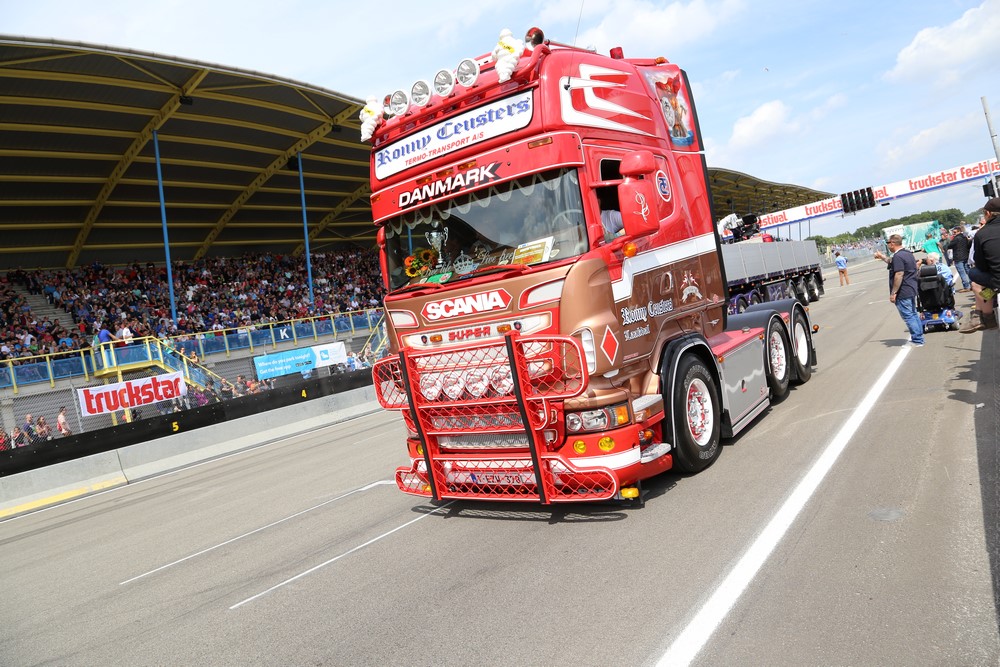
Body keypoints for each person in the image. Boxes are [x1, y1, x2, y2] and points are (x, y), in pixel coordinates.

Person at [873, 234, 923, 346]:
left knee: (908, 316)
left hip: (903, 290)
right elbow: (891, 262)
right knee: (913, 314)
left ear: (893, 243)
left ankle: (917, 340)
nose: (887, 245)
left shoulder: (898, 257)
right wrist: (882, 257)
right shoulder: (907, 253)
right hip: (910, 287)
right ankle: (919, 337)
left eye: (888, 243)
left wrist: (894, 292)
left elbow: (899, 274)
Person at [960, 197, 1000, 333]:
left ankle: (987, 317)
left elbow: (981, 265)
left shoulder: (981, 234)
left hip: (997, 283)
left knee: (975, 277)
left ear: (988, 213)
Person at [947, 225, 972, 292]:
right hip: (965, 256)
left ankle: (966, 286)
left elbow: (949, 246)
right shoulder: (964, 237)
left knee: (962, 272)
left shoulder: (956, 239)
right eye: (953, 232)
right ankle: (972, 284)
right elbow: (968, 245)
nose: (953, 233)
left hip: (958, 257)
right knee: (968, 271)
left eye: (955, 232)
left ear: (959, 231)